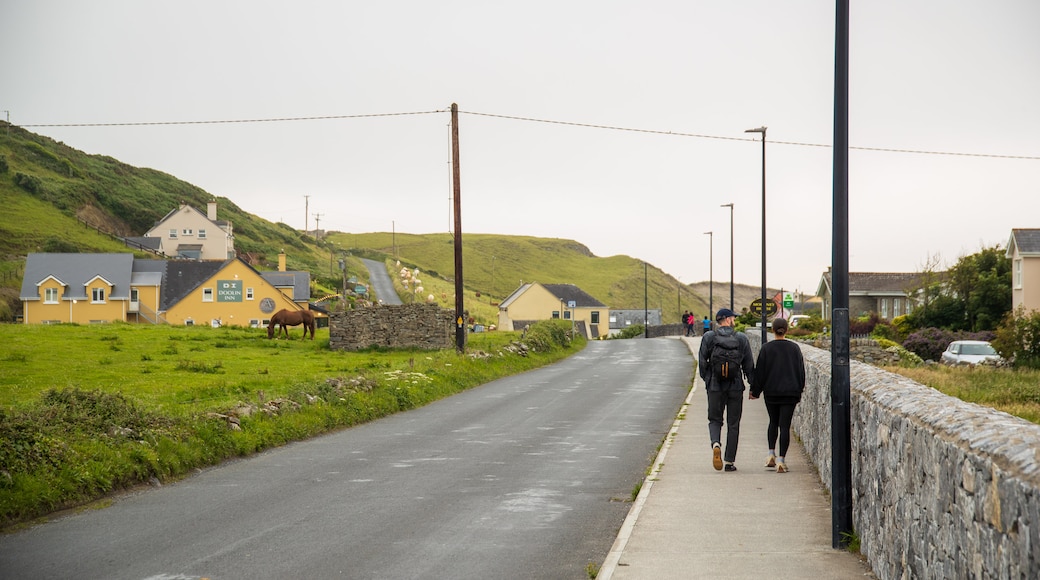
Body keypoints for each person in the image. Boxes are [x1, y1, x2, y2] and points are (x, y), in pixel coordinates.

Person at [698, 308, 755, 472]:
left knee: (715, 420)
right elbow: (749, 365)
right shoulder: (741, 338)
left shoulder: (709, 337)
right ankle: (729, 461)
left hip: (715, 386)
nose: (734, 320)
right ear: (728, 320)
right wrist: (753, 387)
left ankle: (716, 443)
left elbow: (702, 362)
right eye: (733, 318)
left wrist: (708, 380)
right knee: (733, 423)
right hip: (735, 386)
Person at [749, 317, 806, 473]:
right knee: (785, 426)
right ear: (786, 330)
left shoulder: (767, 348)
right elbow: (801, 372)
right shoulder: (794, 348)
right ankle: (781, 460)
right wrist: (799, 389)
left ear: (772, 330)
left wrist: (755, 391)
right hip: (790, 393)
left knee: (773, 422)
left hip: (772, 392)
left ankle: (770, 454)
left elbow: (760, 372)